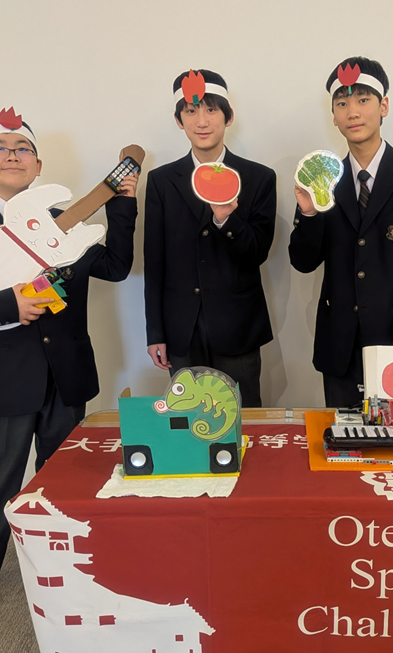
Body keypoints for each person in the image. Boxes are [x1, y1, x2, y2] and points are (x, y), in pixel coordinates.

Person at [0, 108, 137, 615]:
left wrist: (124, 204)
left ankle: (72, 567)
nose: (12, 155)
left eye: (23, 149)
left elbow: (116, 266)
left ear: (39, 166)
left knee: (66, 480)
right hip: (3, 379)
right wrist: (5, 306)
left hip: (67, 373)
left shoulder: (63, 224)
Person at [290, 56, 393, 408]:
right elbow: (303, 261)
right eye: (342, 104)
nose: (353, 112)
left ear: (383, 106)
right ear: (333, 115)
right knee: (343, 438)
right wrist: (309, 212)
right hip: (339, 344)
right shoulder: (323, 177)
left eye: (363, 100)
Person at [143, 69, 276, 408]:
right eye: (191, 111)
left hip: (238, 326)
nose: (201, 121)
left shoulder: (258, 177)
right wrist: (155, 332)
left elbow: (258, 252)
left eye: (211, 110)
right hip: (181, 328)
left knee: (242, 416)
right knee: (189, 418)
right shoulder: (161, 181)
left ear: (228, 117)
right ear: (179, 120)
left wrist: (227, 219)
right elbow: (154, 261)